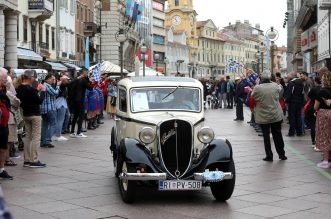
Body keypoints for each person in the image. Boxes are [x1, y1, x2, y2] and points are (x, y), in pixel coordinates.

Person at [252, 70, 287, 162]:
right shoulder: (275, 86)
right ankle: (282, 154)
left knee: (266, 136)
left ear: (261, 78)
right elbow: (279, 95)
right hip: (275, 114)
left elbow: (253, 97)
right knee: (278, 134)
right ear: (270, 78)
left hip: (263, 115)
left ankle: (269, 155)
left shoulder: (258, 88)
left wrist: (256, 85)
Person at [16, 70, 46, 168]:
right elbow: (39, 101)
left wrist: (37, 90)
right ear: (29, 78)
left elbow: (29, 97)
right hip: (35, 115)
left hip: (26, 114)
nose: (34, 78)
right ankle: (34, 160)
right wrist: (43, 92)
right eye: (33, 77)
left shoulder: (19, 88)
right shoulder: (30, 89)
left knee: (28, 137)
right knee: (36, 137)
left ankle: (27, 160)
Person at [67, 68, 92, 138]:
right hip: (80, 100)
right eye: (86, 73)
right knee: (81, 116)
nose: (87, 74)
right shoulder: (83, 80)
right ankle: (78, 132)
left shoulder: (76, 79)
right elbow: (90, 88)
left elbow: (70, 84)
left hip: (74, 100)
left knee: (75, 116)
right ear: (84, 72)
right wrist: (90, 81)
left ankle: (72, 132)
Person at [314, 71, 331, 168]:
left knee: (325, 136)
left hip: (324, 115)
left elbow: (316, 107)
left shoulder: (322, 91)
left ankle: (325, 161)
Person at [0, 68, 13, 179]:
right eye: (4, 79)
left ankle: (1, 169)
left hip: (4, 123)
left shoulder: (4, 89)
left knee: (3, 147)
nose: (6, 81)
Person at [40, 74, 60, 148]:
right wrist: (58, 85)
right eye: (52, 79)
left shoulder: (43, 84)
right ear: (48, 79)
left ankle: (43, 141)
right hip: (50, 108)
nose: (53, 81)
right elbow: (55, 93)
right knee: (54, 125)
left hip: (44, 109)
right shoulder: (47, 85)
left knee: (45, 125)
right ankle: (47, 140)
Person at [285, 72, 304, 136]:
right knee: (298, 117)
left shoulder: (291, 83)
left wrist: (286, 101)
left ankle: (291, 132)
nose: (287, 76)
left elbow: (289, 93)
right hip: (299, 102)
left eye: (289, 74)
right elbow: (302, 93)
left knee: (292, 117)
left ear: (292, 76)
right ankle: (299, 132)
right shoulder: (301, 82)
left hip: (292, 102)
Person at [306, 77, 321, 150]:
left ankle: (313, 142)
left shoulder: (314, 89)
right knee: (320, 126)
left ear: (315, 81)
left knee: (313, 125)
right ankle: (320, 141)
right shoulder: (323, 89)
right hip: (322, 108)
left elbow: (308, 96)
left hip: (313, 107)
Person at [54, 75, 70, 141]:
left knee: (58, 120)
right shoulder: (62, 86)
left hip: (57, 103)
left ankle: (57, 134)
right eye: (67, 80)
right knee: (60, 120)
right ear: (63, 81)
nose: (68, 81)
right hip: (61, 104)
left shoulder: (58, 85)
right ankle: (58, 135)